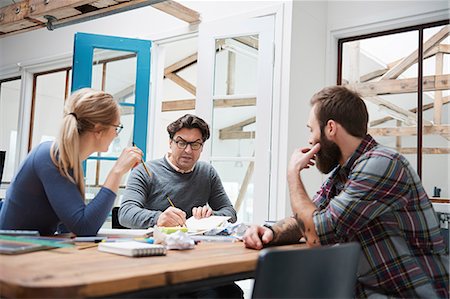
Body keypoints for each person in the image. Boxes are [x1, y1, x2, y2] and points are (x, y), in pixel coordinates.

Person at [243, 86, 449, 298]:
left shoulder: (381, 164)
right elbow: (308, 220)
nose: (310, 140)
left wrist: (292, 174)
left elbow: (316, 235)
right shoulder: (344, 173)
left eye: (311, 130)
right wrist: (271, 232)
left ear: (330, 128)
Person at [0, 88, 142, 236]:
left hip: (31, 248)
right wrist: (117, 172)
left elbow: (69, 227)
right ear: (98, 129)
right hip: (12, 251)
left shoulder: (66, 159)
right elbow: (84, 227)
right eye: (117, 127)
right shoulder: (52, 156)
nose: (116, 135)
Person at [118, 113, 237, 228]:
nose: (188, 150)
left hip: (195, 245)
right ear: (170, 143)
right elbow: (125, 213)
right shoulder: (144, 171)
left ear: (202, 147)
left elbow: (230, 213)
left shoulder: (207, 172)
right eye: (181, 143)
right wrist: (158, 218)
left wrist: (211, 216)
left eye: (195, 144)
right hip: (155, 244)